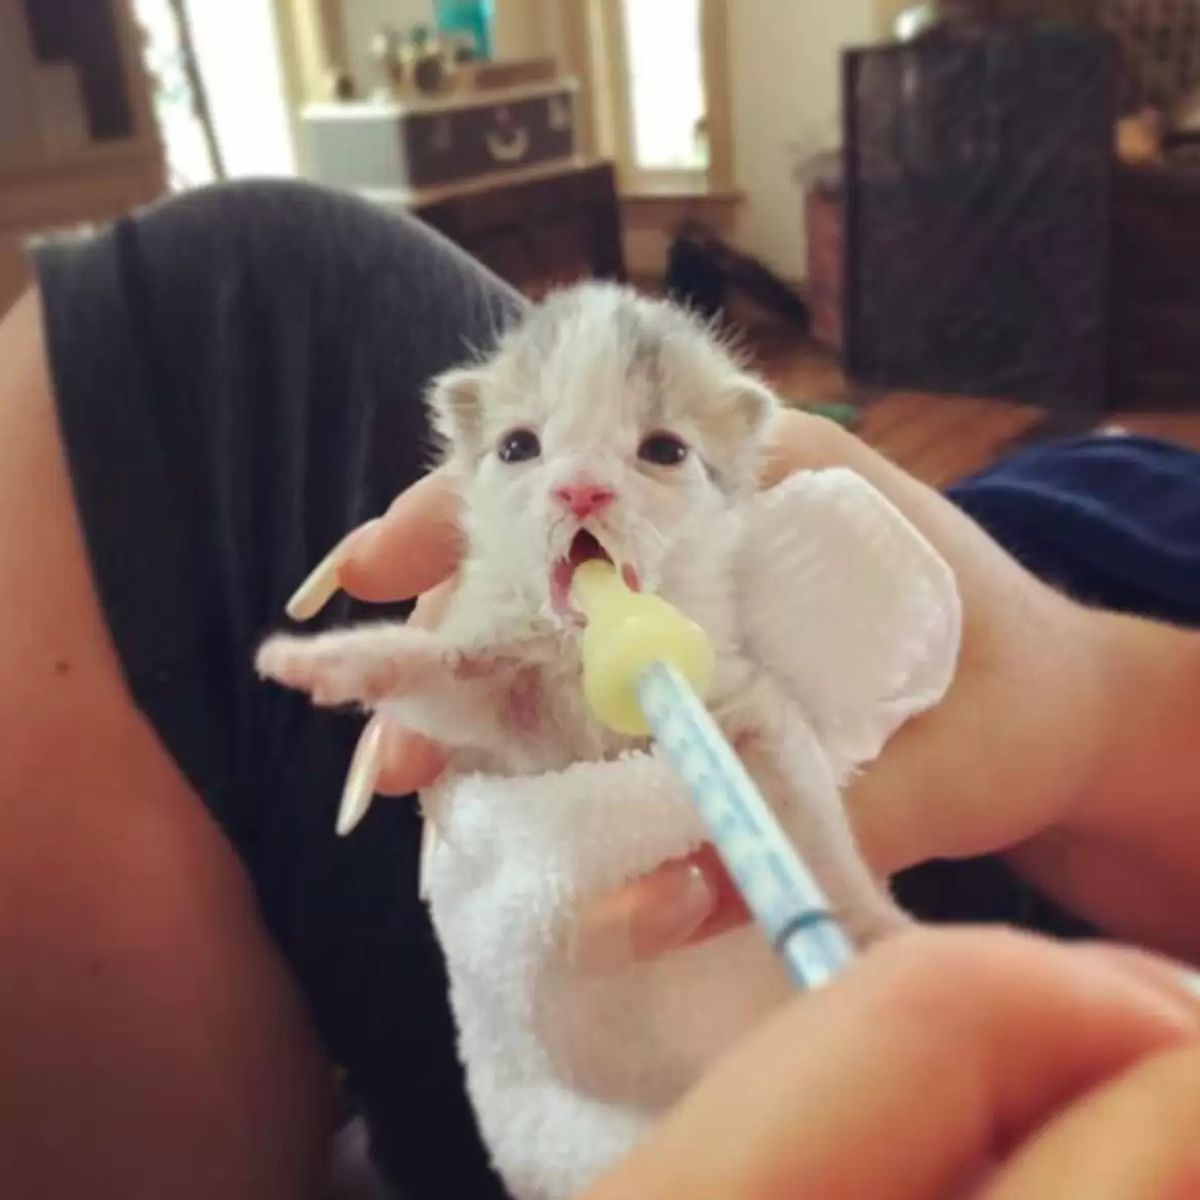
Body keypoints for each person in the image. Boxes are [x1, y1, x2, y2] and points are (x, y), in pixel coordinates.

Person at [0, 177, 1196, 1199]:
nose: (574, 490)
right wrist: (1085, 687)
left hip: (984, 832)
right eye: (517, 451)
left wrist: (1100, 722)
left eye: (662, 452)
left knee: (197, 320)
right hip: (1028, 583)